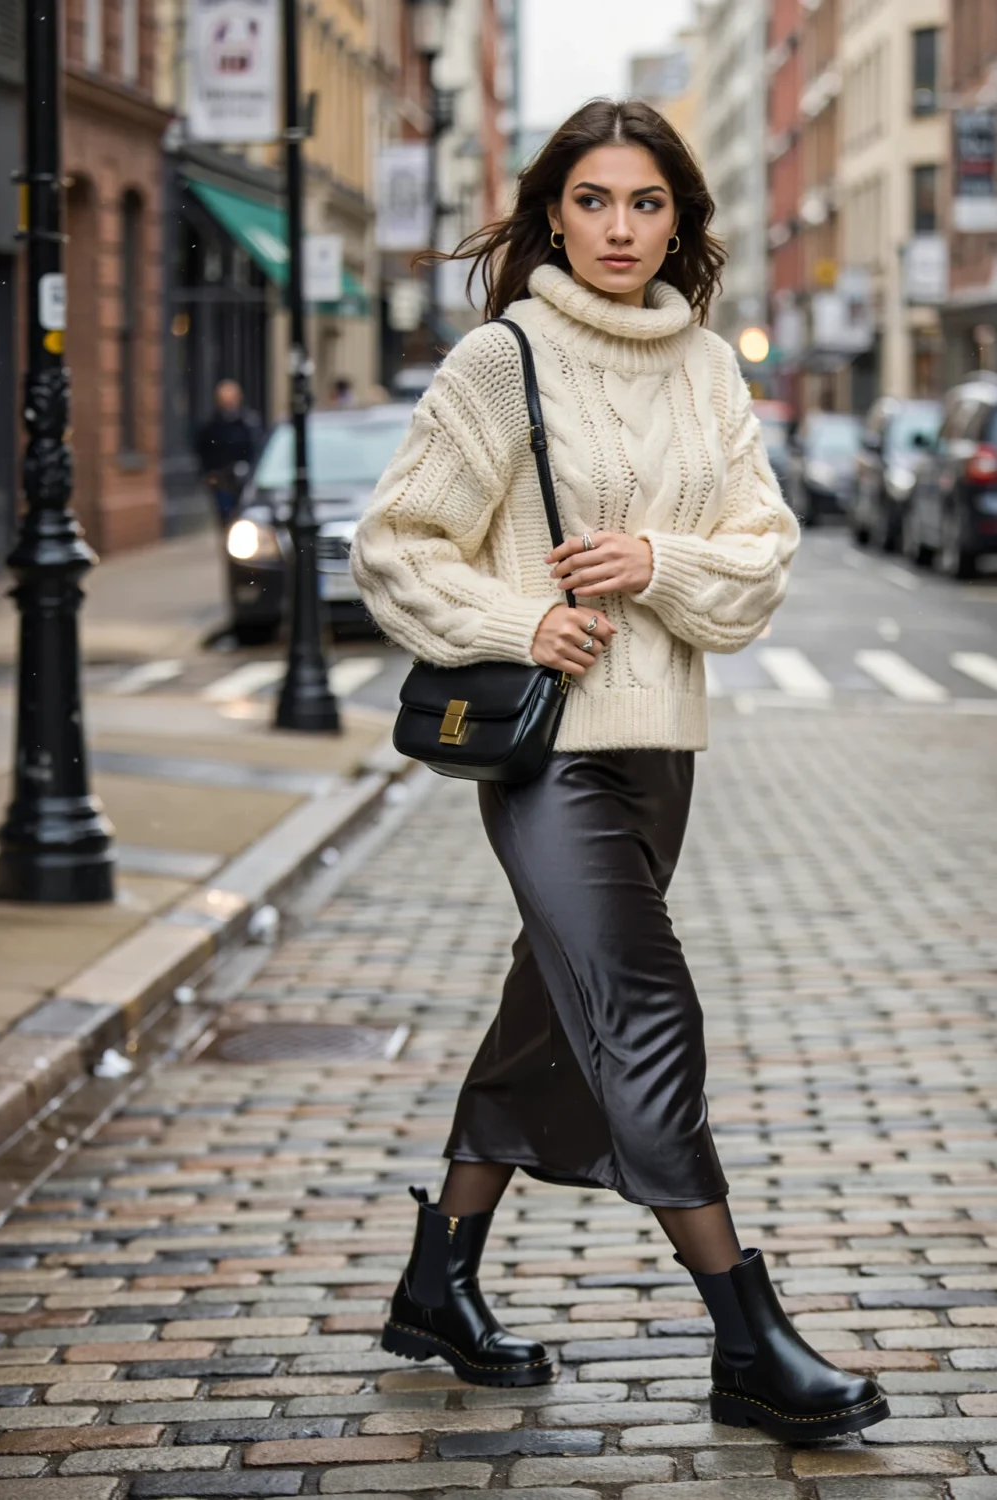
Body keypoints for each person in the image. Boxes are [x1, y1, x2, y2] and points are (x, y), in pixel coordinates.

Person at [350, 99, 889, 1440]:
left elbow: (760, 561)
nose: (619, 228)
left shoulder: (708, 368)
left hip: (659, 758)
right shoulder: (500, 359)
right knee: (645, 1014)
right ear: (551, 212)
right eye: (593, 200)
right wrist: (517, 621)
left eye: (646, 204)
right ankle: (747, 1337)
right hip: (545, 763)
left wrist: (658, 561)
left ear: (680, 224)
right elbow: (397, 544)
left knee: (549, 1020)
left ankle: (439, 1287)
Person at [196, 380, 263, 526]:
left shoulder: (248, 422)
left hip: (244, 477)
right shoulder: (212, 426)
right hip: (222, 479)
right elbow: (204, 451)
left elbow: (256, 448)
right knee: (225, 515)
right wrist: (209, 474)